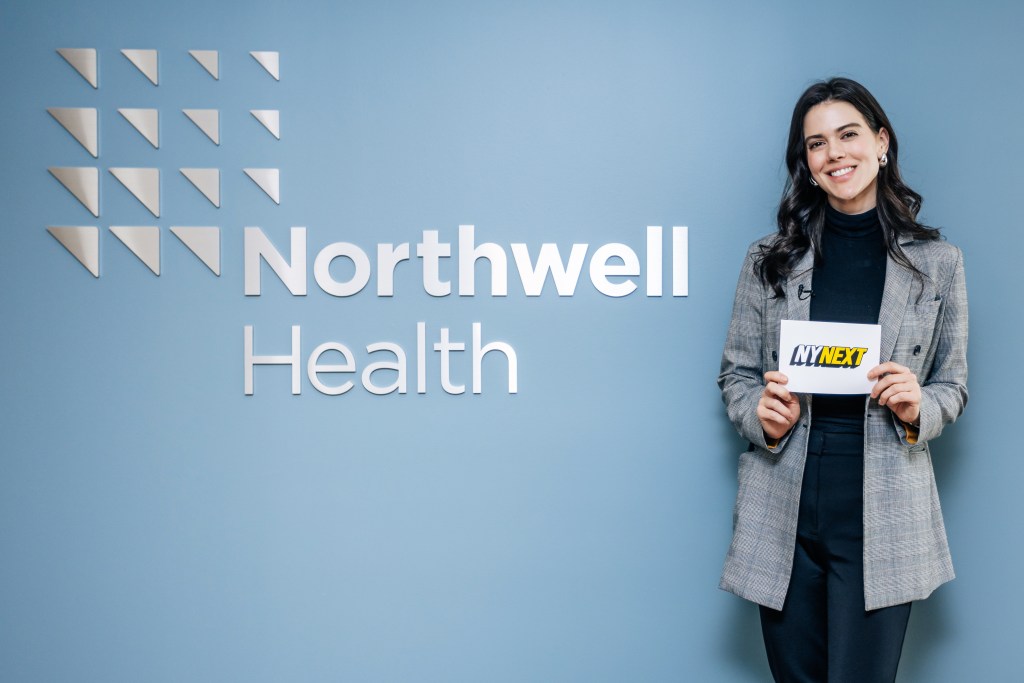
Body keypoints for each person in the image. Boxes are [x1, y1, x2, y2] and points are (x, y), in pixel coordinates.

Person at [717, 77, 968, 683]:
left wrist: (918, 406)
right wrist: (762, 415)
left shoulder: (938, 264)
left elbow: (952, 385)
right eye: (817, 144)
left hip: (883, 497)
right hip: (785, 498)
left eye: (849, 135)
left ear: (882, 143)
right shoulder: (768, 259)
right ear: (805, 163)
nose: (835, 154)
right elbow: (736, 375)